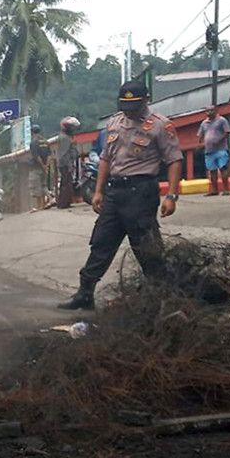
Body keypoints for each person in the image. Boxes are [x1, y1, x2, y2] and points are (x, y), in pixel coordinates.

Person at [58, 80, 183, 310]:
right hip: (115, 192)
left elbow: (174, 160)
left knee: (147, 248)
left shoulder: (160, 126)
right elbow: (106, 158)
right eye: (125, 104)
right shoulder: (114, 122)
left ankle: (162, 298)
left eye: (134, 105)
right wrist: (98, 191)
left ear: (145, 101)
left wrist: (172, 196)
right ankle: (85, 293)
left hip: (141, 193)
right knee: (101, 242)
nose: (129, 110)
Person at [198, 106, 230, 196]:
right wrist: (200, 142)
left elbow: (227, 132)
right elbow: (200, 134)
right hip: (209, 150)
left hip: (221, 149)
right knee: (212, 170)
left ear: (216, 111)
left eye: (211, 110)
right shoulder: (204, 123)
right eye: (207, 111)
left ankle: (226, 189)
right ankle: (214, 190)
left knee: (223, 168)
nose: (209, 112)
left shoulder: (222, 120)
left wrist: (219, 140)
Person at [53, 117, 80, 209]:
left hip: (65, 163)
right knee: (66, 183)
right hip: (65, 164)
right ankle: (63, 203)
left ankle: (65, 202)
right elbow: (64, 153)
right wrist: (69, 165)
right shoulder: (65, 138)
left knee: (66, 182)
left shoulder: (65, 137)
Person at [28, 124, 49, 210]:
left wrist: (42, 165)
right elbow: (49, 155)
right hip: (44, 167)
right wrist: (46, 166)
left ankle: (39, 206)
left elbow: (36, 157)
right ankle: (45, 203)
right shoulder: (45, 141)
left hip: (36, 167)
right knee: (43, 185)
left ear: (32, 132)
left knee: (36, 186)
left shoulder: (33, 142)